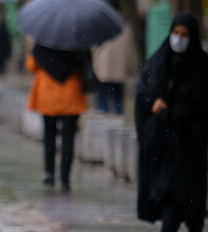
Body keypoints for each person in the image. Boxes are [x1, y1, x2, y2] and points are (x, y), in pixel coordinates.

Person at [136, 14, 208, 232]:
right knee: (169, 187)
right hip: (164, 140)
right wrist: (154, 103)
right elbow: (145, 89)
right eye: (176, 33)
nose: (179, 39)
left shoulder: (203, 66)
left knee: (188, 189)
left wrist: (185, 110)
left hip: (190, 141)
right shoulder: (160, 61)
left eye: (185, 35)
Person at [27, 44, 87, 192]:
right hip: (70, 95)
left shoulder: (43, 42)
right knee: (68, 139)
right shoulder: (77, 43)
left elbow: (31, 66)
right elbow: (84, 66)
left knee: (49, 135)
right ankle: (65, 179)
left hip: (48, 94)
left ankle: (49, 173)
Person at [92, 22, 139, 115]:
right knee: (118, 98)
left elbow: (93, 48)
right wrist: (134, 68)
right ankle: (118, 119)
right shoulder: (125, 28)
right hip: (119, 69)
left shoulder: (99, 25)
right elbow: (130, 50)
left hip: (102, 69)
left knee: (102, 98)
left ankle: (103, 121)